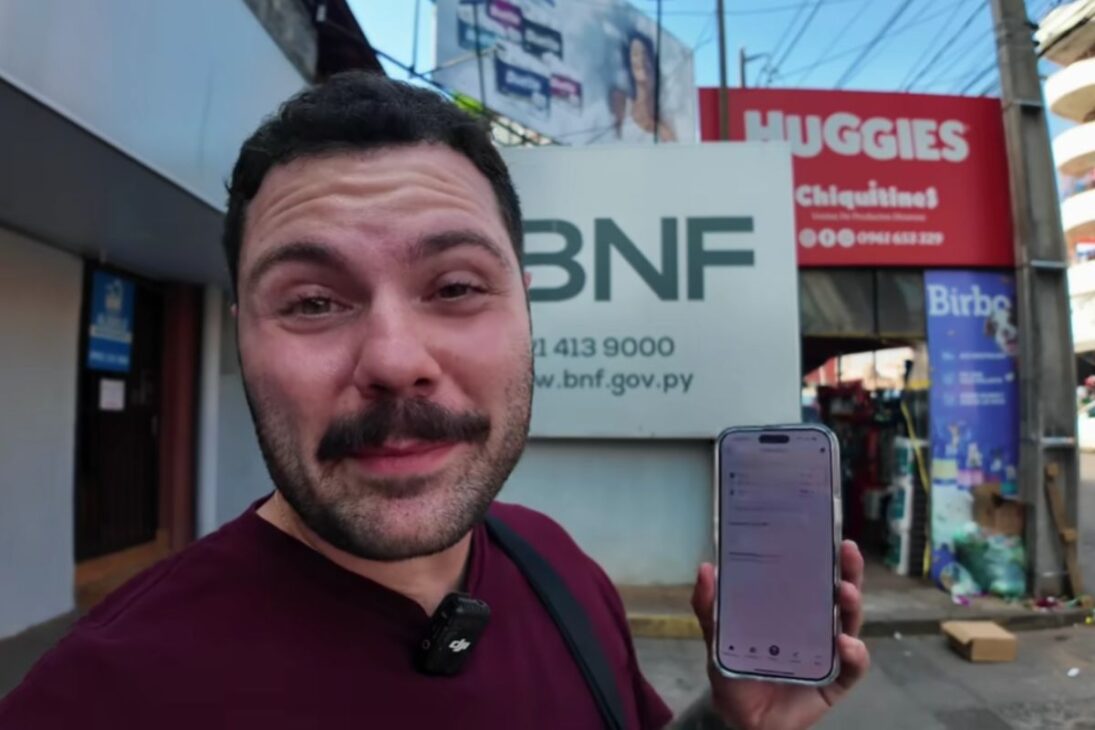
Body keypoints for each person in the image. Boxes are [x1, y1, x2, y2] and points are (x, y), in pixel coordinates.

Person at [0, 72, 867, 729]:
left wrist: (728, 720)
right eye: (311, 302)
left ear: (527, 309)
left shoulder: (558, 570)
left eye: (454, 286)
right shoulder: (94, 700)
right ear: (243, 337)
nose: (394, 361)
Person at [611, 32, 678, 143]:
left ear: (652, 62)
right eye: (635, 54)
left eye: (645, 53)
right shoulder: (620, 101)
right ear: (630, 63)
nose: (641, 58)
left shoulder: (664, 130)